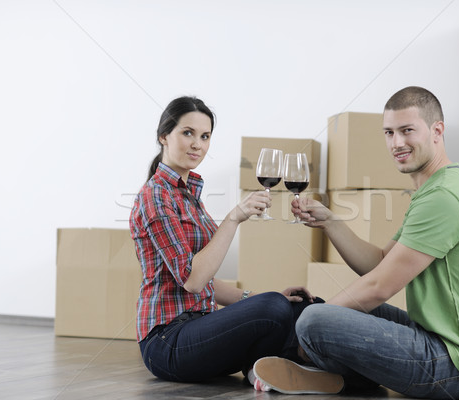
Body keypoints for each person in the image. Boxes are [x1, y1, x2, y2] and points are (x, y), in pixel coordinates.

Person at [252, 86, 459, 399]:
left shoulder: (444, 198)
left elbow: (379, 286)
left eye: (407, 130)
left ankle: (318, 368)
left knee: (315, 318)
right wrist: (330, 222)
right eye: (389, 132)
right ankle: (335, 378)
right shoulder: (436, 189)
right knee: (323, 311)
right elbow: (379, 263)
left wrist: (306, 330)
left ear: (436, 131)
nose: (397, 143)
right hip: (438, 342)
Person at [129, 96, 320, 386]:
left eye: (205, 136)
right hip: (167, 342)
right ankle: (276, 366)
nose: (198, 144)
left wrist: (256, 299)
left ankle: (273, 370)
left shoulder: (188, 195)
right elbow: (193, 280)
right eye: (188, 133)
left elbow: (207, 283)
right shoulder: (156, 196)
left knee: (300, 306)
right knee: (274, 308)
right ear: (164, 136)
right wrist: (233, 218)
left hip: (199, 330)